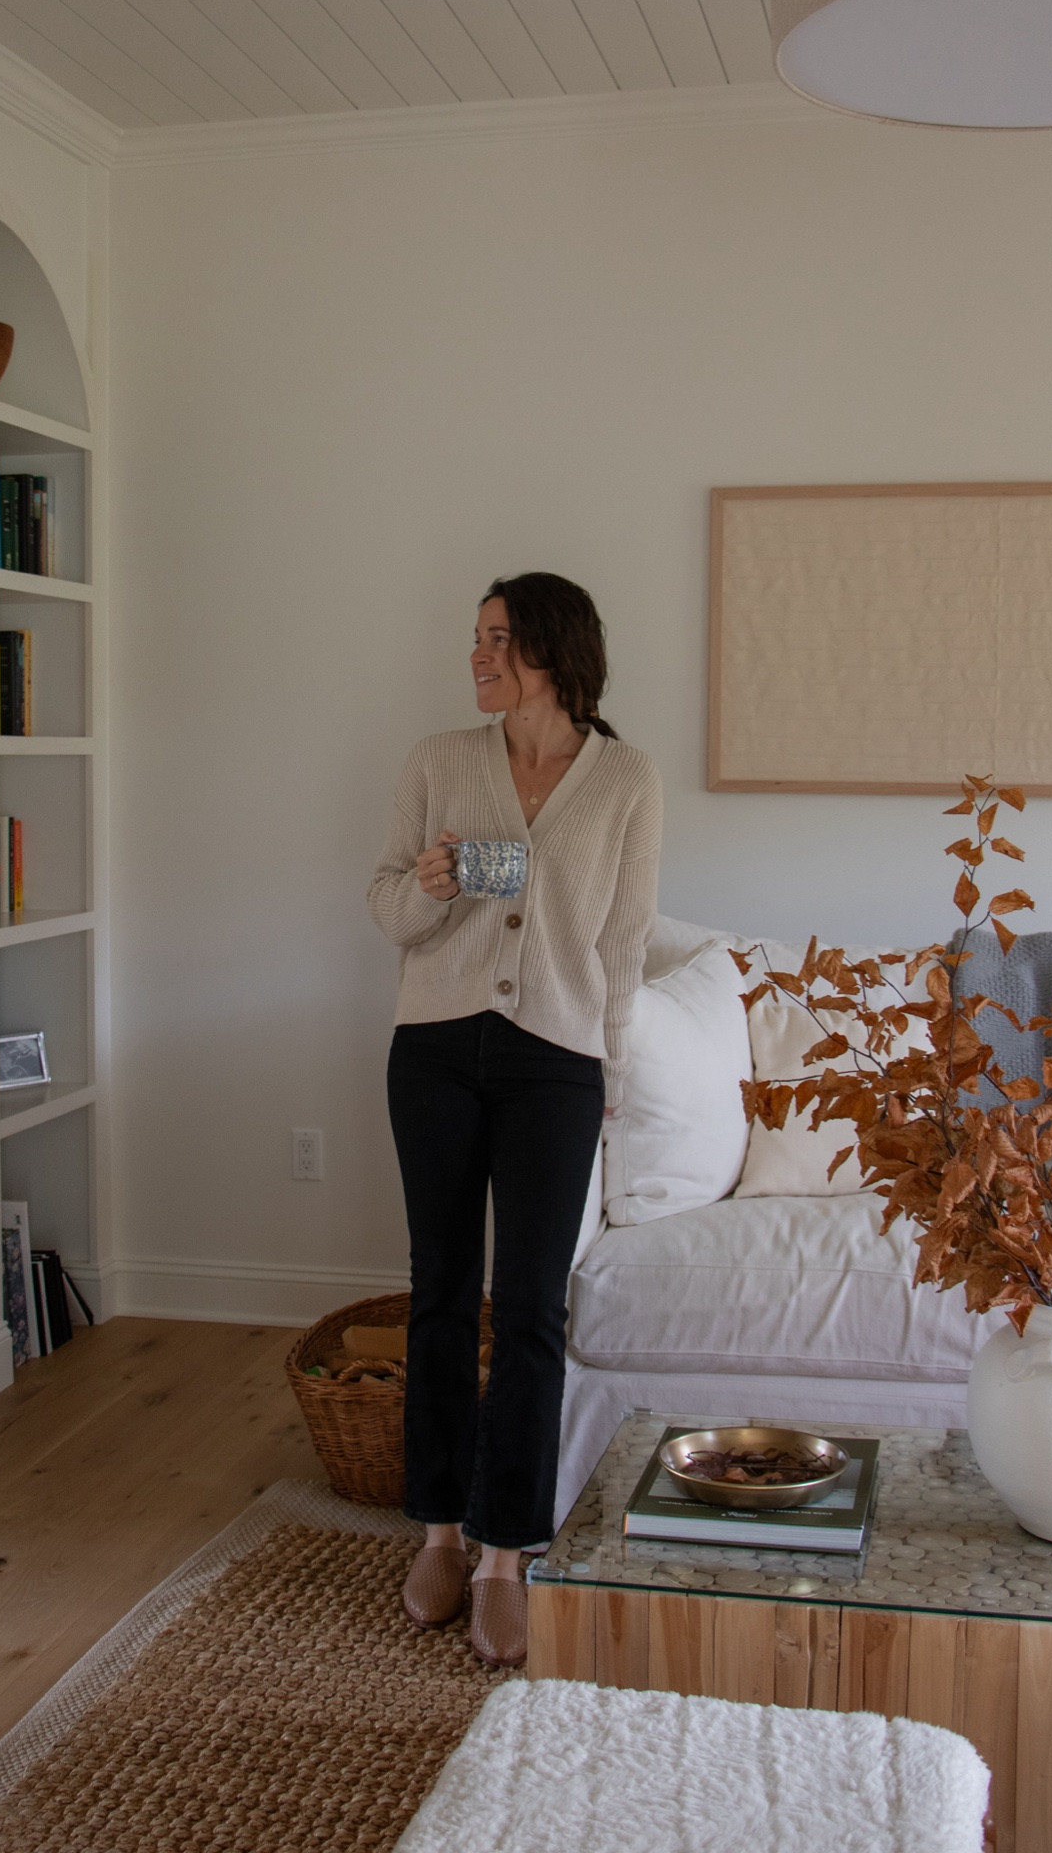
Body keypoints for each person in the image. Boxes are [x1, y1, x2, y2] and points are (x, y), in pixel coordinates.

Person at [367, 571, 662, 1667]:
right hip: (435, 1051)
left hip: (556, 1062)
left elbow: (623, 944)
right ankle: (440, 1533)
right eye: (478, 638)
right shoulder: (438, 760)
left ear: (551, 650)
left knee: (532, 1305)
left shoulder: (626, 779)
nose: (479, 656)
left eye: (498, 638)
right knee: (441, 1292)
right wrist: (432, 886)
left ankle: (506, 1552)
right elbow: (387, 908)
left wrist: (611, 1075)